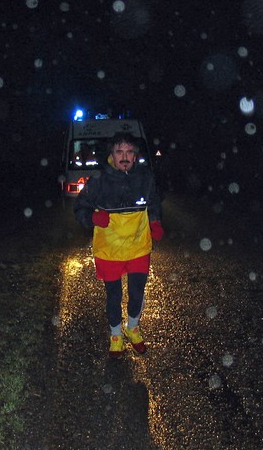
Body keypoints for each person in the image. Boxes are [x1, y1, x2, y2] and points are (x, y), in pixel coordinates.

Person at [74, 132, 164, 359]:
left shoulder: (145, 177)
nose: (124, 157)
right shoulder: (99, 180)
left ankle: (133, 328)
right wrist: (93, 218)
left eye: (129, 152)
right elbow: (80, 207)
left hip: (138, 247)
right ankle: (116, 336)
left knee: (137, 292)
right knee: (114, 295)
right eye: (119, 152)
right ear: (111, 155)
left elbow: (154, 202)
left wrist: (154, 221)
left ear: (135, 155)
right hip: (109, 249)